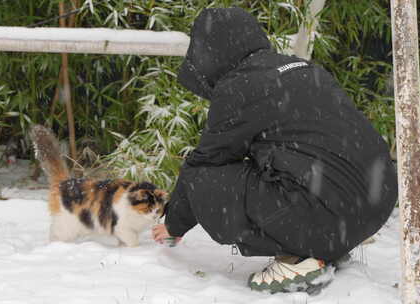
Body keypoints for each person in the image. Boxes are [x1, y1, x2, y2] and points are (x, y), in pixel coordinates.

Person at [152, 7, 397, 294]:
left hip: (327, 214)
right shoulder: (302, 67)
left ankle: (299, 255)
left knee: (206, 177)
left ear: (210, 51)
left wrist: (174, 225)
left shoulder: (239, 86)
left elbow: (205, 161)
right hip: (374, 206)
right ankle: (323, 242)